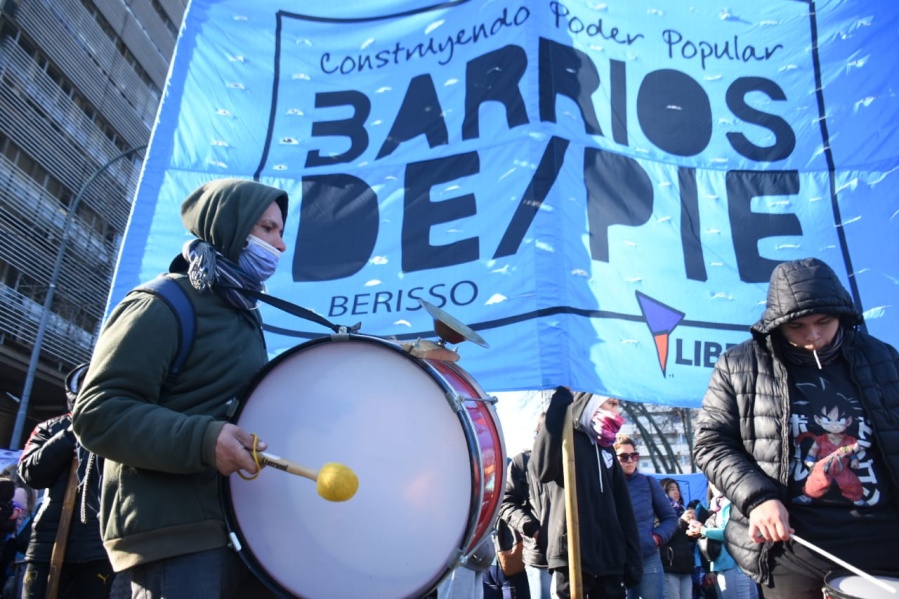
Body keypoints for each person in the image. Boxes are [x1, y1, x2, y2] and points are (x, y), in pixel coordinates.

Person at [72, 178, 289, 599]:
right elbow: (97, 412)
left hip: (236, 531)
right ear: (229, 225)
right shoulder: (162, 302)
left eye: (281, 233)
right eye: (267, 229)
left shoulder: (241, 315)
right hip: (175, 537)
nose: (279, 245)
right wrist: (205, 441)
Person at [693, 257, 899, 598]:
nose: (813, 336)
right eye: (797, 327)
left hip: (882, 539)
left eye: (824, 322)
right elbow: (710, 442)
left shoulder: (884, 360)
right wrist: (757, 498)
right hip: (791, 545)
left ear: (842, 316)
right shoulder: (740, 364)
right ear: (776, 323)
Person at [529, 388, 641, 598]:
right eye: (611, 403)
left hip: (610, 559)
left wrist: (632, 557)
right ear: (592, 403)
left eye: (618, 404)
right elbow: (541, 470)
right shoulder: (565, 439)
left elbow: (623, 507)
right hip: (572, 554)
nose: (617, 411)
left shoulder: (607, 447)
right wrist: (560, 401)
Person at [16, 363, 113, 598]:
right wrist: (71, 434)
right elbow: (31, 473)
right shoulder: (48, 428)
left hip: (97, 547)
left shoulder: (115, 429)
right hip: (46, 545)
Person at [613, 435, 677, 599]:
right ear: (613, 458)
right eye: (624, 456)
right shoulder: (605, 484)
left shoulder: (648, 483)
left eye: (634, 456)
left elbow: (670, 518)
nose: (630, 460)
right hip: (615, 561)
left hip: (647, 558)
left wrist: (655, 538)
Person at [499, 413, 551, 599]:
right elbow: (505, 501)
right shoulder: (522, 462)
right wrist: (532, 529)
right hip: (540, 557)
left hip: (577, 556)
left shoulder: (575, 460)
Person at [687, 485, 757, 599]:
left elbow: (727, 533)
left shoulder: (729, 503)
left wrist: (702, 530)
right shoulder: (716, 505)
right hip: (728, 564)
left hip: (734, 564)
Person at [657, 479, 696, 599]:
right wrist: (682, 522)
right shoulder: (659, 511)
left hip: (685, 565)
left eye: (677, 489)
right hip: (669, 565)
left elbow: (686, 539)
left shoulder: (682, 510)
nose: (676, 492)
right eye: (672, 489)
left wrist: (695, 531)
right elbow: (662, 535)